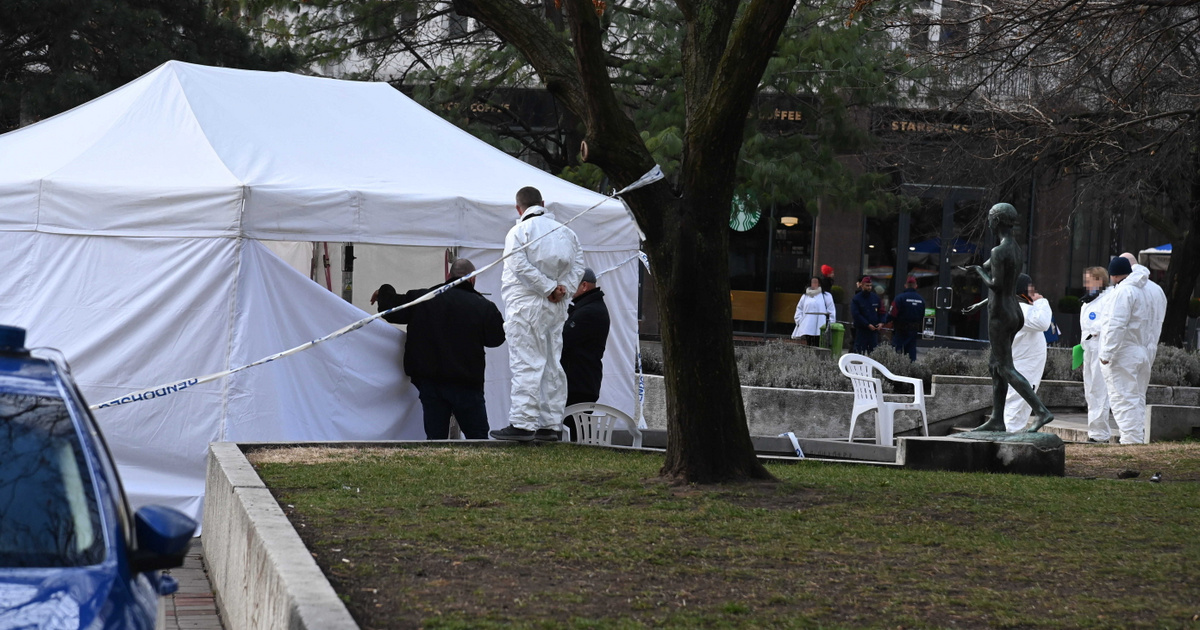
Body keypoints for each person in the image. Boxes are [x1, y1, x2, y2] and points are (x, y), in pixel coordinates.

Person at [371, 258, 506, 440]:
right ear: (472, 279)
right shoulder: (483, 306)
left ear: (448, 276)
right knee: (477, 438)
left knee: (435, 439)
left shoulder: (422, 298)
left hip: (431, 383)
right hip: (467, 385)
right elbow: (496, 339)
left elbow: (391, 309)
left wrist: (384, 291)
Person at [491, 186, 586, 442]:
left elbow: (518, 264)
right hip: (556, 306)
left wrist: (547, 288)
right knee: (552, 363)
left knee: (527, 362)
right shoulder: (567, 233)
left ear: (518, 208)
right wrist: (562, 290)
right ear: (543, 203)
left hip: (526, 305)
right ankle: (550, 424)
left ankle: (522, 424)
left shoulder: (518, 231)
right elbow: (579, 266)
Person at [962, 203, 1054, 433]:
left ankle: (1041, 412)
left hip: (1001, 315)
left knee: (1004, 367)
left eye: (991, 218)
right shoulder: (1013, 248)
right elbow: (1007, 289)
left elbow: (996, 284)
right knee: (995, 366)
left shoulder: (998, 251)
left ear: (998, 221)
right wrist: (980, 303)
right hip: (1011, 310)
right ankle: (997, 419)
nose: (989, 223)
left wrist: (979, 272)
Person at [1099, 254, 1163, 444]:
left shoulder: (1124, 292)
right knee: (1137, 398)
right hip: (1144, 350)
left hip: (1124, 352)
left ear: (1114, 275)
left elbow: (1116, 324)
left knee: (1123, 399)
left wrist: (1106, 353)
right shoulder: (1151, 290)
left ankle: (1130, 441)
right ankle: (1136, 438)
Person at [1000, 274, 1052, 432]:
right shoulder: (1021, 309)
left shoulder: (1013, 307)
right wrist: (1041, 301)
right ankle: (1011, 435)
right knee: (1017, 403)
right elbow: (1043, 322)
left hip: (1023, 362)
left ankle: (1013, 432)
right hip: (1024, 364)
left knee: (1017, 402)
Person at [561, 267, 610, 407]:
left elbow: (563, 339)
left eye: (571, 283)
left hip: (579, 384)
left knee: (577, 427)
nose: (567, 288)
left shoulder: (589, 311)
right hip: (582, 381)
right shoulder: (589, 307)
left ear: (584, 285)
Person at [1079, 266, 1114, 443]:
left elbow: (1106, 323)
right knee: (1090, 391)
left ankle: (1100, 434)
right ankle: (1094, 431)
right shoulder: (1087, 301)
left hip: (1100, 345)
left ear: (1099, 280)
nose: (1085, 284)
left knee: (1100, 390)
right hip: (1088, 347)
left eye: (1089, 280)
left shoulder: (1109, 298)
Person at [887, 276, 925, 361]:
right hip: (913, 331)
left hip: (900, 330)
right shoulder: (921, 300)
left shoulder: (900, 298)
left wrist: (883, 321)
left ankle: (895, 371)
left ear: (906, 285)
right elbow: (922, 315)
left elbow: (892, 313)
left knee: (896, 352)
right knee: (911, 353)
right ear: (916, 286)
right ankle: (910, 372)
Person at [792, 276, 834, 346]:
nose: (814, 284)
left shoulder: (826, 296)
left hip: (820, 325)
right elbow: (799, 309)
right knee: (809, 344)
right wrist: (799, 321)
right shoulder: (805, 296)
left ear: (819, 284)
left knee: (818, 343)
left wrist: (831, 323)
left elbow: (831, 310)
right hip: (807, 326)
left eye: (816, 282)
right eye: (812, 282)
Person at [851, 276, 882, 353]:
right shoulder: (857, 299)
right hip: (861, 330)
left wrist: (881, 322)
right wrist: (867, 324)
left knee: (874, 353)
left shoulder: (875, 298)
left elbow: (882, 311)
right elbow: (856, 314)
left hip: (873, 331)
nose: (869, 287)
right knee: (859, 352)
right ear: (862, 285)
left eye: (870, 285)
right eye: (867, 285)